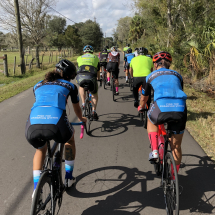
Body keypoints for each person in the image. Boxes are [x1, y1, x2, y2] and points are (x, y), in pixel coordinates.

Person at [25, 59, 87, 198]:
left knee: (40, 149)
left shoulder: (37, 85)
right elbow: (76, 108)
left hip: (33, 123)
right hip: (56, 122)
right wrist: (81, 119)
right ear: (67, 76)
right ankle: (68, 178)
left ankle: (36, 189)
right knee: (69, 139)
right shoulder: (70, 86)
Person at [139, 51, 187, 178]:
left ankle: (155, 151)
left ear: (155, 65)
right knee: (176, 147)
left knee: (150, 119)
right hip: (180, 108)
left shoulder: (150, 76)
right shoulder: (177, 75)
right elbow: (178, 91)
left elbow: (144, 98)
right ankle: (173, 176)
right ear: (169, 64)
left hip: (161, 107)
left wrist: (141, 107)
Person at [76, 45, 100, 120]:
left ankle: (83, 103)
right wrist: (98, 78)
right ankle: (94, 111)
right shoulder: (95, 57)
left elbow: (78, 68)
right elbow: (98, 70)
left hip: (80, 76)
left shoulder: (79, 57)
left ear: (84, 52)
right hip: (91, 77)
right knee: (94, 94)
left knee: (81, 86)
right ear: (92, 52)